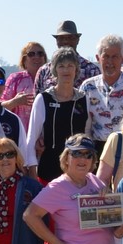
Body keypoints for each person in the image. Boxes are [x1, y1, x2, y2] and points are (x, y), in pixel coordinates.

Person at [24, 47, 91, 182]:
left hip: (78, 171)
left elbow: (88, 136)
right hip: (48, 171)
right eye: (61, 66)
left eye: (70, 66)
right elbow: (31, 139)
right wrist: (32, 173)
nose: (66, 70)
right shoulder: (43, 99)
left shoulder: (84, 99)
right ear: (55, 70)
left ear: (76, 69)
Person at [80, 34, 123, 142]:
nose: (110, 62)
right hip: (99, 148)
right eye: (106, 56)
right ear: (98, 58)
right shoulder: (88, 87)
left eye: (115, 56)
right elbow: (84, 125)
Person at [33, 20, 101, 92]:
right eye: (62, 38)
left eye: (70, 38)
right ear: (56, 41)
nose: (65, 41)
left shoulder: (92, 70)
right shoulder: (44, 71)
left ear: (77, 40)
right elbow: (37, 100)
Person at [2, 42, 49, 122]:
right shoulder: (15, 79)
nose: (36, 57)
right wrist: (15, 102)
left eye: (40, 54)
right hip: (20, 132)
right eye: (31, 54)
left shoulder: (52, 80)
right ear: (24, 60)